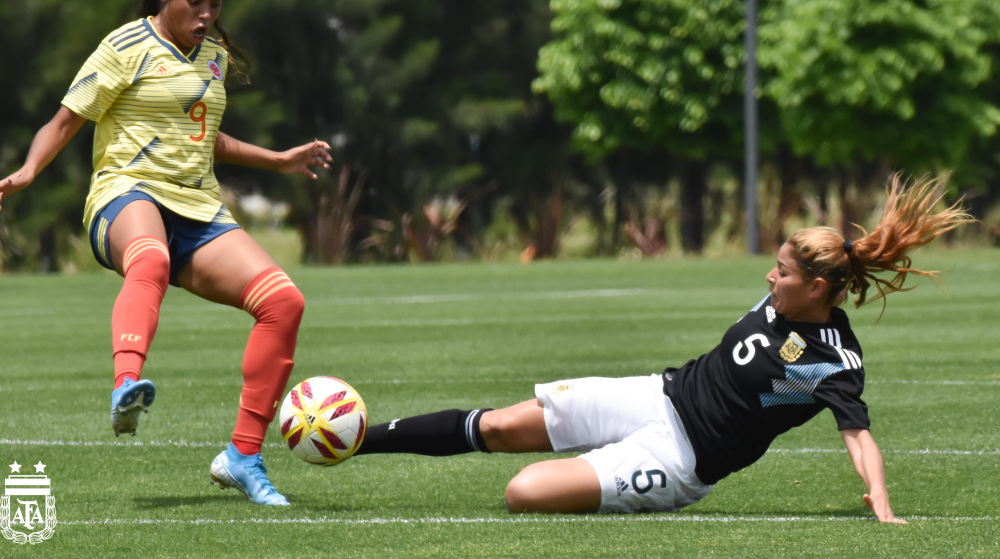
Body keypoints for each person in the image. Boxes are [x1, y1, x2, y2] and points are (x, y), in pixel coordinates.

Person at [354, 175, 969, 521]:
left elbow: (858, 435)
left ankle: (615, 474)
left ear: (815, 288)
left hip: (680, 459)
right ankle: (355, 439)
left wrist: (880, 498)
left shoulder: (833, 358)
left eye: (781, 272)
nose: (768, 277)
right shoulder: (780, 301)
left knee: (524, 493)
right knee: (498, 426)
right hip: (657, 394)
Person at [0, 0, 332, 507]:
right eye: (195, 1)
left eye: (216, 4)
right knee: (149, 258)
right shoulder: (124, 46)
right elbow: (64, 121)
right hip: (125, 195)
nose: (207, 14)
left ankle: (243, 457)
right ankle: (126, 387)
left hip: (198, 208)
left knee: (284, 302)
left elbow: (206, 138)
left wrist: (278, 160)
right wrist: (29, 170)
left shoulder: (214, 58)